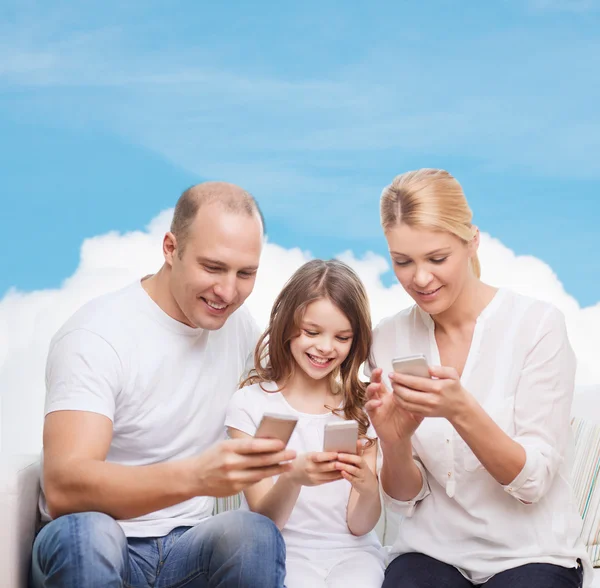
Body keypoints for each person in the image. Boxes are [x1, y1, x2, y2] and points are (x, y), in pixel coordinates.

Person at [30, 182, 297, 588]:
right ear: (171, 248)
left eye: (245, 273)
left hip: (188, 546)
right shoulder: (96, 334)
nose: (227, 292)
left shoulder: (238, 329)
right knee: (87, 534)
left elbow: (300, 387)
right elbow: (66, 486)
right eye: (212, 267)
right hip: (99, 542)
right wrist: (196, 477)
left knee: (254, 536)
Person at [365, 169, 592, 588]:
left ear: (472, 242)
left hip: (531, 554)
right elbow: (403, 498)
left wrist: (460, 409)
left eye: (437, 258)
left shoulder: (537, 326)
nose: (420, 278)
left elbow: (533, 482)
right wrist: (394, 442)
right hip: (432, 553)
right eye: (403, 262)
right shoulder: (389, 338)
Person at [225, 259, 386, 588]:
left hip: (354, 555)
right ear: (287, 327)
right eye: (312, 332)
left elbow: (359, 525)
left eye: (342, 337)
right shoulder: (251, 404)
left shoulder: (363, 408)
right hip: (282, 553)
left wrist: (368, 487)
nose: (326, 347)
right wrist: (294, 478)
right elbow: (266, 523)